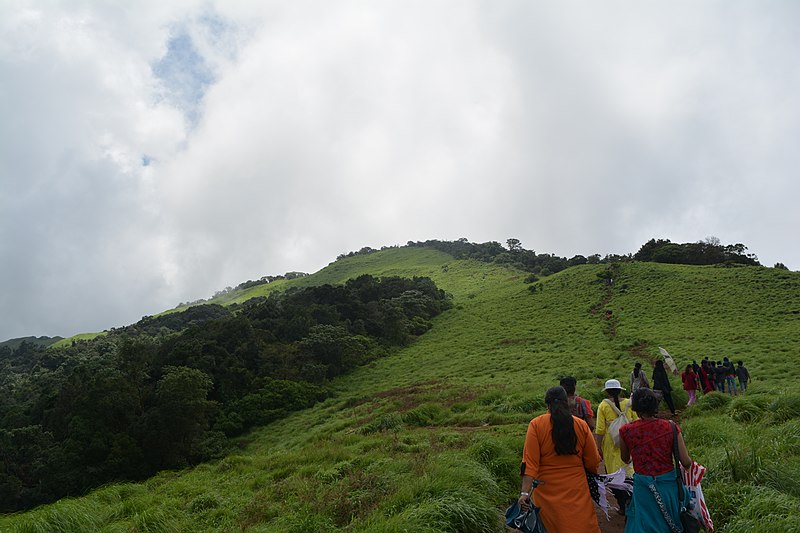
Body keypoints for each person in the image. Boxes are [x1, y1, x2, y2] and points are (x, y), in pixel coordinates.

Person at [519, 386, 602, 532]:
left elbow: (530, 463)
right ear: (567, 402)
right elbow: (593, 460)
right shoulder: (580, 425)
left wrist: (525, 493)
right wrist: (592, 475)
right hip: (577, 488)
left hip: (545, 490)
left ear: (547, 404)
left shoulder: (536, 425)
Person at [619, 388, 692, 532]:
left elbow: (625, 459)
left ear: (636, 408)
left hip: (643, 490)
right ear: (655, 406)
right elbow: (686, 461)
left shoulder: (626, 431)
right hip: (668, 487)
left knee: (643, 526)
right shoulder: (670, 427)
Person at [595, 379, 638, 515]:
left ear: (607, 392)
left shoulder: (603, 405)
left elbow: (600, 429)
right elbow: (636, 421)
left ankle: (622, 503)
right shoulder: (628, 403)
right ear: (620, 390)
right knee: (629, 470)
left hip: (610, 443)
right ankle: (632, 500)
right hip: (629, 439)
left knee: (613, 474)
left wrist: (598, 447)